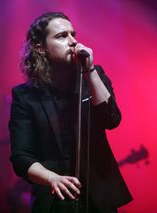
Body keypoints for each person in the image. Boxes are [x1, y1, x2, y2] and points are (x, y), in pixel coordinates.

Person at [9, 12, 132, 213]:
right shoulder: (26, 96)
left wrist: (90, 70)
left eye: (73, 34)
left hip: (99, 197)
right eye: (62, 36)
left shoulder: (93, 76)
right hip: (54, 199)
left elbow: (111, 119)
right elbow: (21, 157)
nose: (73, 41)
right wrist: (52, 178)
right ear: (41, 48)